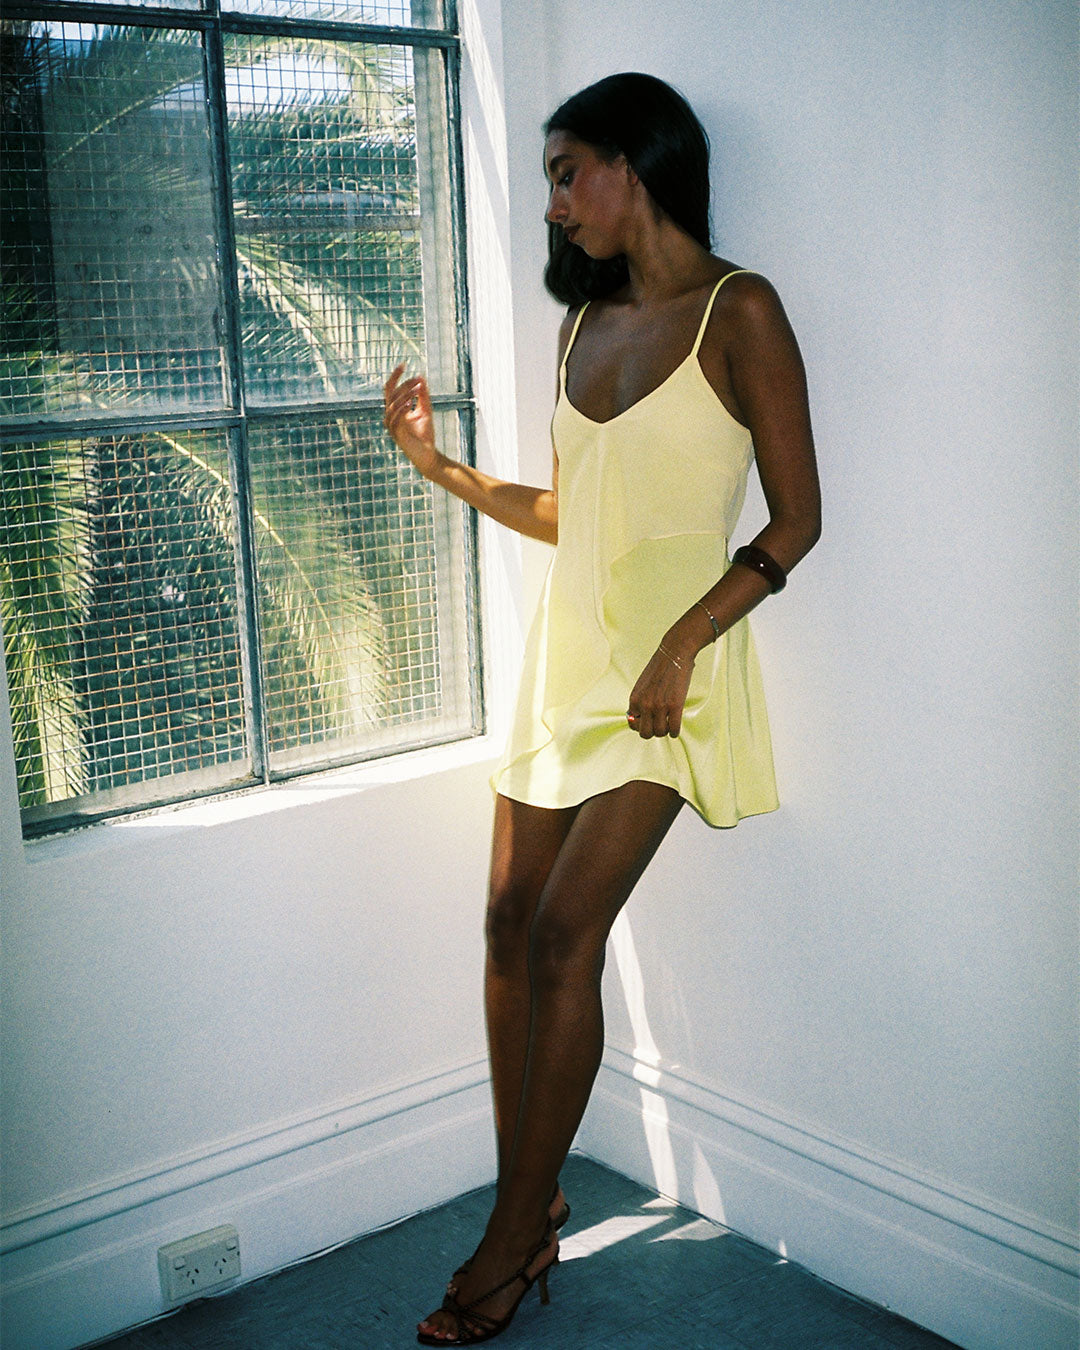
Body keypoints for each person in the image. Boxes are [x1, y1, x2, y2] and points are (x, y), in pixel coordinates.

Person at [383, 71, 820, 1346]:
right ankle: (535, 1200)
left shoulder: (742, 309)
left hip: (671, 681)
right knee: (505, 923)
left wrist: (683, 643)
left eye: (568, 172)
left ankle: (511, 1237)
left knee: (567, 933)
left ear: (636, 163)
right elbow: (575, 516)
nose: (556, 203)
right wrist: (441, 468)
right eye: (551, 181)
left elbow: (798, 519)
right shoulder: (582, 326)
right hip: (571, 661)